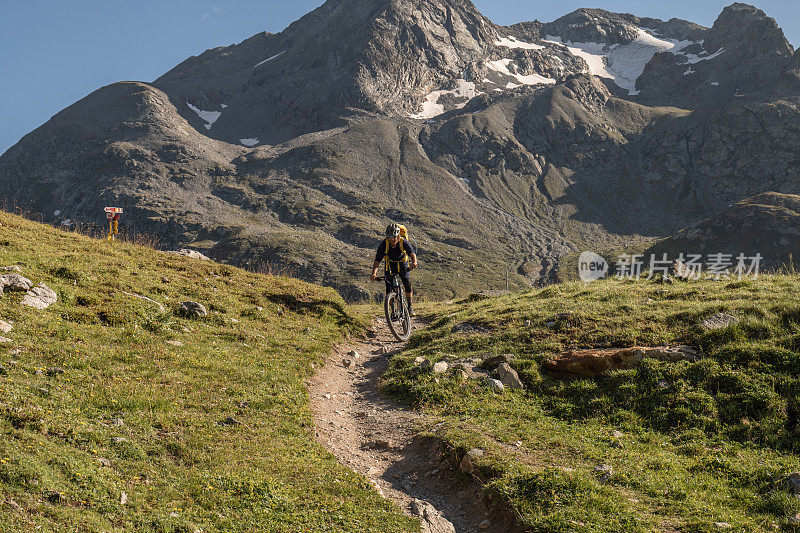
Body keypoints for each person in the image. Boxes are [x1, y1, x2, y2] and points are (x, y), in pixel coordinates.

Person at [371, 223, 418, 315]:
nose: (392, 239)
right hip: (390, 264)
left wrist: (414, 262)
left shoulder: (403, 241)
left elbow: (411, 253)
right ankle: (393, 311)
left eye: (394, 237)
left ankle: (410, 307)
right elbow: (377, 260)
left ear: (398, 235)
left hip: (402, 263)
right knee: (389, 289)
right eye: (389, 237)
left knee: (407, 283)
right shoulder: (384, 244)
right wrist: (373, 274)